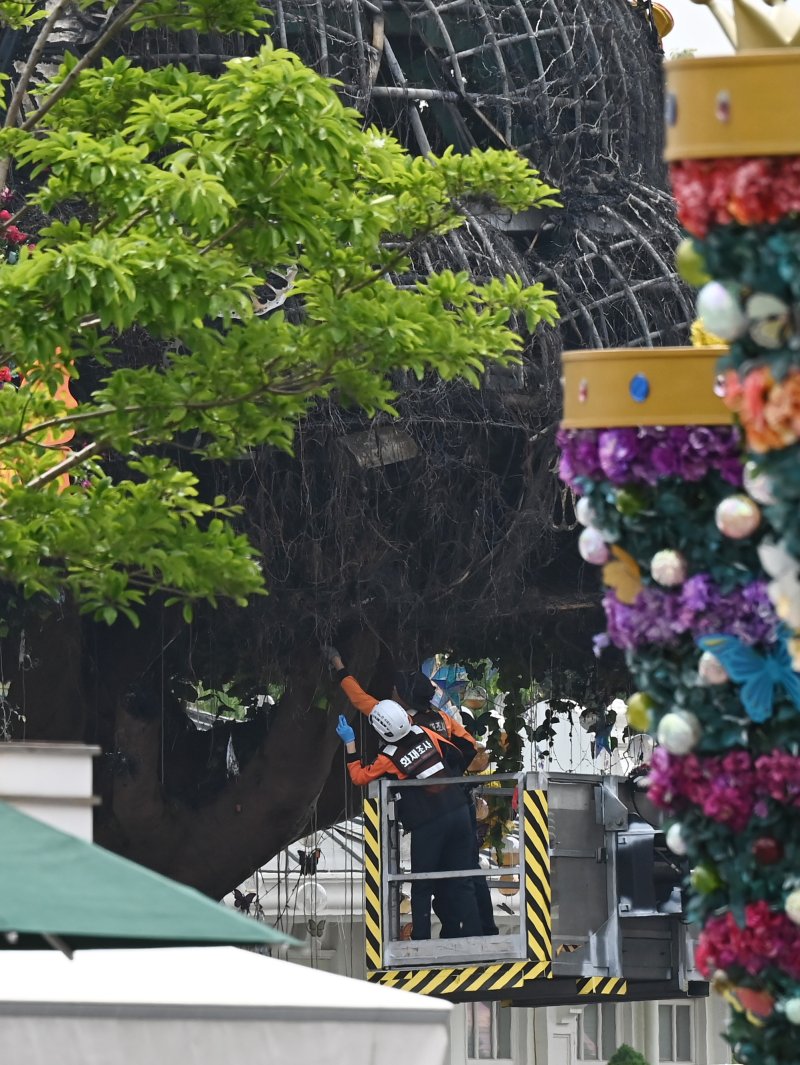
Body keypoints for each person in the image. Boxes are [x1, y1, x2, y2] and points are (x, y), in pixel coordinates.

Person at [335, 698, 482, 942]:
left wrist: (350, 743)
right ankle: (474, 936)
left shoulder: (388, 757)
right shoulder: (425, 732)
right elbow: (451, 752)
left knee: (422, 884)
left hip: (429, 822)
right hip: (458, 812)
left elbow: (360, 777)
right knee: (462, 878)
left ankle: (421, 940)